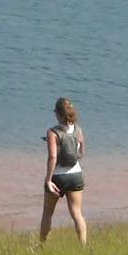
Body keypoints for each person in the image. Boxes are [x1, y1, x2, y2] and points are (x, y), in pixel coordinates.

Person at [40, 97, 87, 245]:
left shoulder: (52, 133)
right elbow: (81, 153)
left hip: (57, 178)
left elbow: (53, 157)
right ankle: (83, 246)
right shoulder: (78, 130)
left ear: (58, 114)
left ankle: (42, 245)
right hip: (75, 176)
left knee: (47, 214)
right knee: (77, 214)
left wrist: (48, 180)